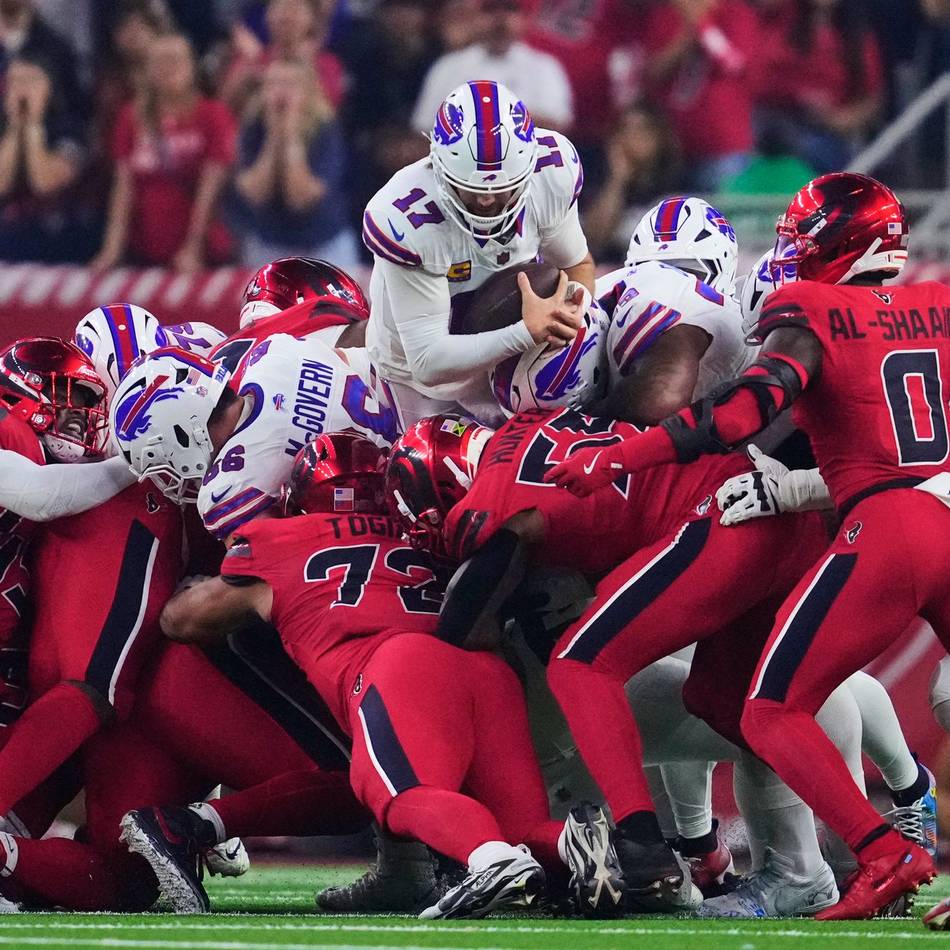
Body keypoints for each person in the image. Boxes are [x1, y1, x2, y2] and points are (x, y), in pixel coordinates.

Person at [545, 172, 945, 919]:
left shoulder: (805, 306)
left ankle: (868, 843)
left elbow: (736, 417)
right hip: (909, 513)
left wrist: (618, 456)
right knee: (733, 698)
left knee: (753, 705)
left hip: (851, 524)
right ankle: (876, 823)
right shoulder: (936, 304)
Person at [158, 433, 570, 920]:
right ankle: (598, 849)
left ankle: (491, 859)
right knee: (525, 828)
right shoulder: (423, 527)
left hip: (398, 667)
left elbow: (182, 622)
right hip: (487, 665)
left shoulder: (274, 541)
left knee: (399, 796)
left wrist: (195, 584)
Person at [363, 80, 593, 426]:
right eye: (470, 189)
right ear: (438, 166)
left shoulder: (552, 174)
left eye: (503, 189)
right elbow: (427, 363)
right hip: (417, 385)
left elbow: (577, 265)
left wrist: (570, 315)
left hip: (510, 369)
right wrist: (526, 332)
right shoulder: (405, 218)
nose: (486, 200)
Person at [110, 340, 401, 539]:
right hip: (414, 435)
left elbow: (269, 569)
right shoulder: (273, 350)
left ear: (182, 433)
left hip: (394, 524)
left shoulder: (227, 487)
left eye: (161, 459)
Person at [92, 32, 237, 273]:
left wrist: (193, 247)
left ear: (192, 67)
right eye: (160, 61)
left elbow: (211, 187)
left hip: (203, 249)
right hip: (145, 244)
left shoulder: (213, 115)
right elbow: (123, 187)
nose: (168, 68)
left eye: (175, 60)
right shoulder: (131, 118)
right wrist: (112, 249)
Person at [232, 57, 359, 270]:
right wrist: (274, 138)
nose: (281, 92)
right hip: (268, 243)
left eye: (289, 84)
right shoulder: (253, 128)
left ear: (308, 91)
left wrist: (291, 138)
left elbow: (301, 199)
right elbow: (254, 194)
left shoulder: (326, 129)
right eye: (273, 84)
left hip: (323, 243)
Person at [640, 0, 761, 190]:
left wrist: (701, 23)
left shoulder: (735, 12)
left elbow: (732, 63)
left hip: (722, 147)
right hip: (673, 147)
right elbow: (653, 73)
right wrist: (687, 37)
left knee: (718, 209)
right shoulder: (666, 14)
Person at [411, 0, 573, 134]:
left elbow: (555, 125)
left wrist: (480, 118)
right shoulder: (448, 67)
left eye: (510, 9)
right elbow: (425, 128)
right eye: (490, 10)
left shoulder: (544, 67)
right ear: (474, 18)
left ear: (525, 18)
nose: (500, 19)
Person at [0, 56, 91, 262]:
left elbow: (44, 183)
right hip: (9, 241)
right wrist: (15, 129)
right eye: (14, 81)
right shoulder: (5, 127)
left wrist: (33, 125)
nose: (21, 89)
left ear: (51, 85)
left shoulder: (71, 129)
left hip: (61, 244)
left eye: (30, 80)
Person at [582, 105, 680, 261]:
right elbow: (594, 238)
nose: (631, 136)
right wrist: (618, 180)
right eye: (624, 129)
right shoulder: (595, 174)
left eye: (642, 129)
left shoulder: (677, 180)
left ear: (659, 137)